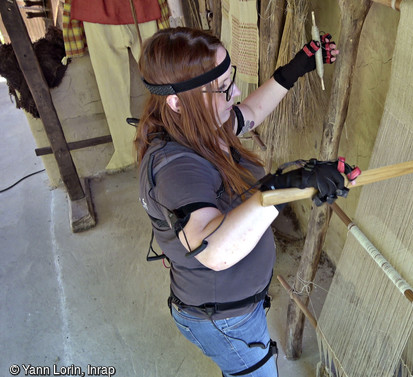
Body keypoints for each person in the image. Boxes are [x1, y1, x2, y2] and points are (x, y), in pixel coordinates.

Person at [135, 27, 351, 376]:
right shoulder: (175, 167)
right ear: (176, 100)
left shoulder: (199, 126)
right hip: (224, 320)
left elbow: (250, 111)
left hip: (233, 310)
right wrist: (285, 185)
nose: (234, 92)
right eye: (222, 88)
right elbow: (213, 250)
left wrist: (295, 68)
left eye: (228, 78)